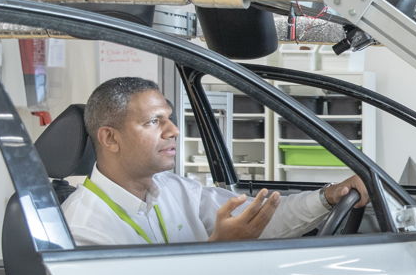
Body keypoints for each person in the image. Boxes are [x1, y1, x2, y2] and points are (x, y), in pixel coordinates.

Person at [63, 76, 370, 247]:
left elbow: (262, 218)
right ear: (110, 138)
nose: (173, 131)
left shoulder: (175, 189)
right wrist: (218, 247)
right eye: (154, 122)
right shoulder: (83, 228)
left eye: (169, 119)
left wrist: (329, 197)